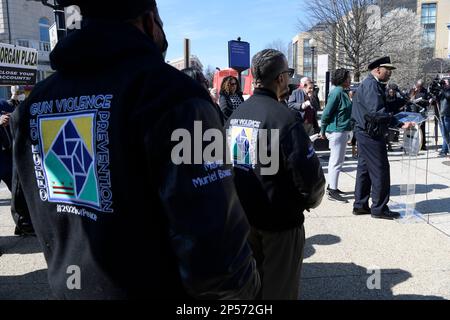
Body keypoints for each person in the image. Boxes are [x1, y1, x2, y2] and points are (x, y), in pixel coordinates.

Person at [11, 0, 259, 299]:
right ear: (149, 21)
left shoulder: (31, 107)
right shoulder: (172, 96)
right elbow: (218, 255)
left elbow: (23, 208)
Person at [226, 49, 325, 299]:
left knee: (253, 289)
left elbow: (238, 166)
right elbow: (310, 180)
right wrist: (307, 201)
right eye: (288, 74)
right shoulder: (284, 118)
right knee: (280, 291)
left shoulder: (237, 116)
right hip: (279, 223)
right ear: (280, 78)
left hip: (246, 219)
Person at [351, 56, 414, 220]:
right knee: (380, 170)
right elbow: (377, 112)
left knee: (364, 170)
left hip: (364, 132)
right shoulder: (371, 85)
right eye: (388, 71)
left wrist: (403, 101)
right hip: (370, 134)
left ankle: (360, 205)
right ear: (378, 69)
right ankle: (379, 208)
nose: (390, 74)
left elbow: (383, 105)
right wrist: (399, 124)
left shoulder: (372, 84)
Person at [0, 86, 35, 236]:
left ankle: (23, 225)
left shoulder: (3, 103)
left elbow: (17, 112)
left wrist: (16, 99)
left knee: (18, 193)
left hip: (7, 156)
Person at [319, 68, 352, 204]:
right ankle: (332, 190)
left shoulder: (342, 92)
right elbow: (327, 112)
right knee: (335, 162)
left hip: (341, 130)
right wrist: (322, 129)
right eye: (348, 78)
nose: (350, 80)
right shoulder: (337, 92)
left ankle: (333, 187)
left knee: (338, 161)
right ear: (342, 79)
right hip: (336, 131)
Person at [409, 80, 429, 150]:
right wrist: (414, 92)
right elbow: (410, 100)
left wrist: (424, 101)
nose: (419, 87)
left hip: (422, 111)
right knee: (414, 128)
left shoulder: (425, 91)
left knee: (422, 128)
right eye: (418, 86)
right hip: (414, 111)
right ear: (416, 85)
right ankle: (414, 144)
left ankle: (423, 144)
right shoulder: (413, 90)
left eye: (420, 86)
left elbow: (428, 101)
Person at [436, 79, 450, 158]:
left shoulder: (448, 91)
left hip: (448, 115)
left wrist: (442, 89)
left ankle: (444, 150)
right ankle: (445, 149)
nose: (444, 84)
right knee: (444, 134)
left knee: (446, 133)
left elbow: (448, 96)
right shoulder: (443, 91)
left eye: (445, 83)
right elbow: (437, 98)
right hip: (441, 114)